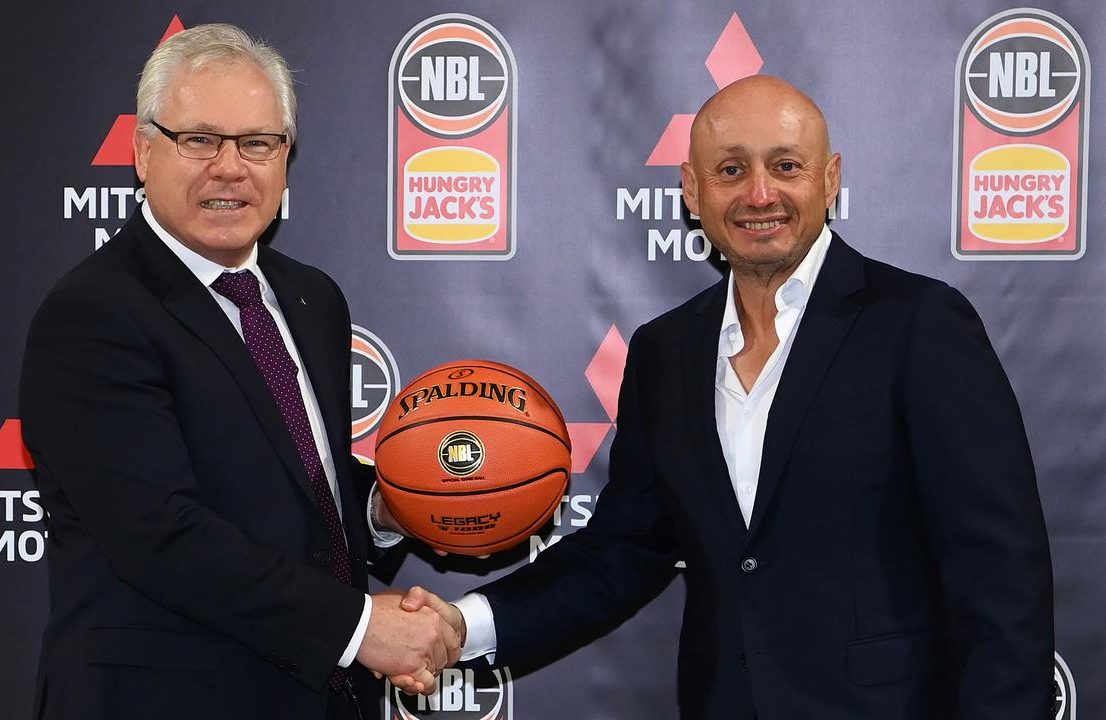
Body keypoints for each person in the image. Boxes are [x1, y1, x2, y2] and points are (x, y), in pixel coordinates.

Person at [402, 75, 1054, 718]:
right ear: (692, 190)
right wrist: (462, 625)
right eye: (731, 170)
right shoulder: (667, 350)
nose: (760, 193)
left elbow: (999, 574)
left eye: (787, 166)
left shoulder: (919, 323)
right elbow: (624, 549)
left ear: (830, 179)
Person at [19, 24, 458, 720]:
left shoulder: (313, 299)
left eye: (258, 142)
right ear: (142, 151)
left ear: (286, 158)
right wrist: (357, 628)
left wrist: (384, 505)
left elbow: (293, 483)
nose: (230, 166)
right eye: (199, 139)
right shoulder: (92, 313)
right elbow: (160, 535)